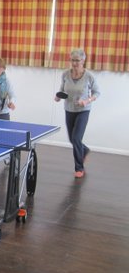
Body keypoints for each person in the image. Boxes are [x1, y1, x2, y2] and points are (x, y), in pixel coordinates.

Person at [55, 48, 100, 178]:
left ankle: (79, 168)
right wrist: (58, 97)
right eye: (72, 60)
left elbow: (97, 92)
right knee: (72, 139)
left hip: (83, 111)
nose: (74, 63)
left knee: (76, 138)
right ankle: (84, 150)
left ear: (83, 60)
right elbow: (62, 90)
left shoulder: (89, 76)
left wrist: (87, 101)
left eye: (77, 60)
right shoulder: (65, 74)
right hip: (69, 109)